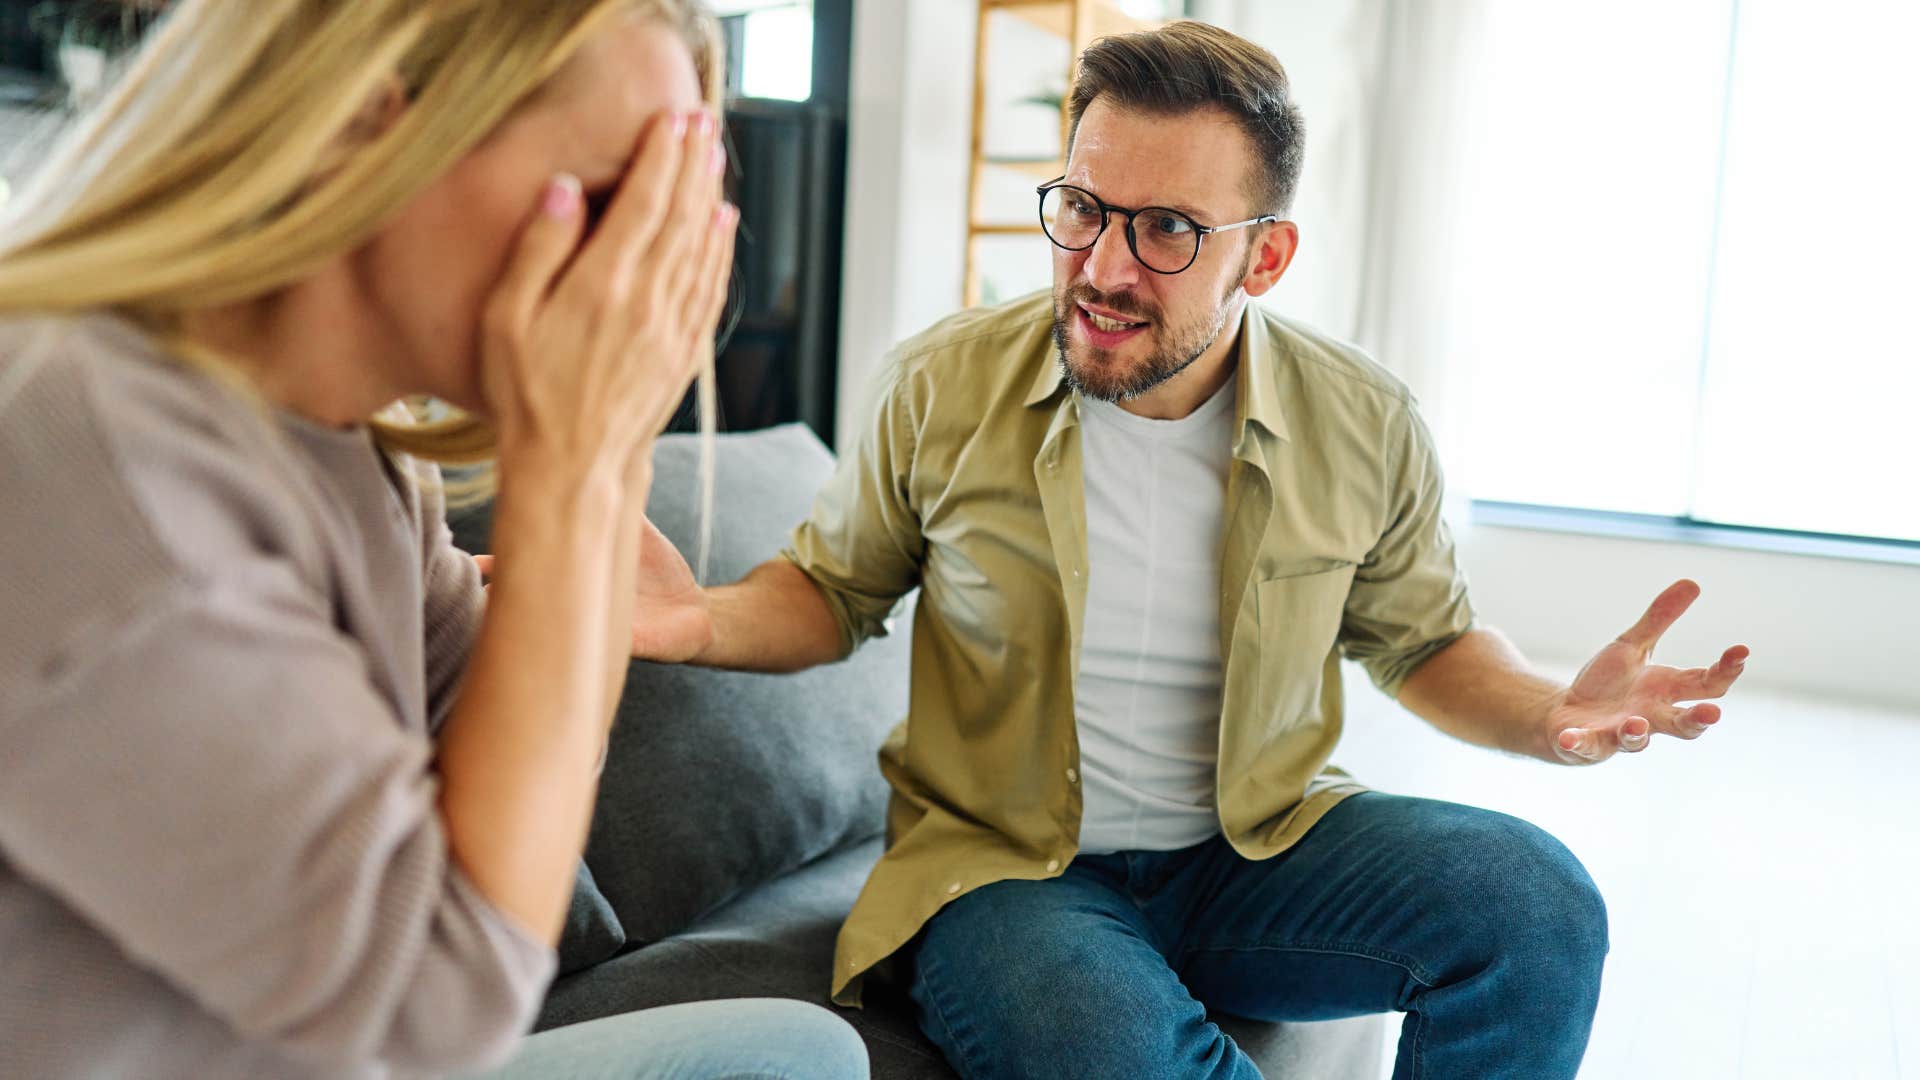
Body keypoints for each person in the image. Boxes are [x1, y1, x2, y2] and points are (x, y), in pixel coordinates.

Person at [616, 20, 1750, 1080]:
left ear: (1264, 259)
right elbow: (832, 591)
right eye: (1083, 208)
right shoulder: (940, 382)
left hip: (1256, 855)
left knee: (1538, 905)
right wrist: (699, 620)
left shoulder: (1363, 418)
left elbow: (1427, 643)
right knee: (1092, 1030)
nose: (1104, 267)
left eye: (1167, 229)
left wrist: (1550, 715)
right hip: (1006, 872)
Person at [0, 2, 866, 1078]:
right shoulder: (87, 459)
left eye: (668, 219)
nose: (636, 287)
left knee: (797, 1053)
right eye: (609, 199)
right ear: (369, 124)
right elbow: (439, 1004)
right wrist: (576, 476)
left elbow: (498, 777)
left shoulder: (365, 455)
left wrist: (592, 542)